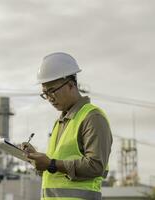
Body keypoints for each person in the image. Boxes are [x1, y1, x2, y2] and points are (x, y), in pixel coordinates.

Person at [22, 52, 112, 200]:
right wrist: (37, 159)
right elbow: (56, 171)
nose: (49, 98)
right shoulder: (60, 123)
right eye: (45, 94)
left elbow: (96, 166)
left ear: (71, 85)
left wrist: (51, 164)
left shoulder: (93, 117)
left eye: (52, 91)